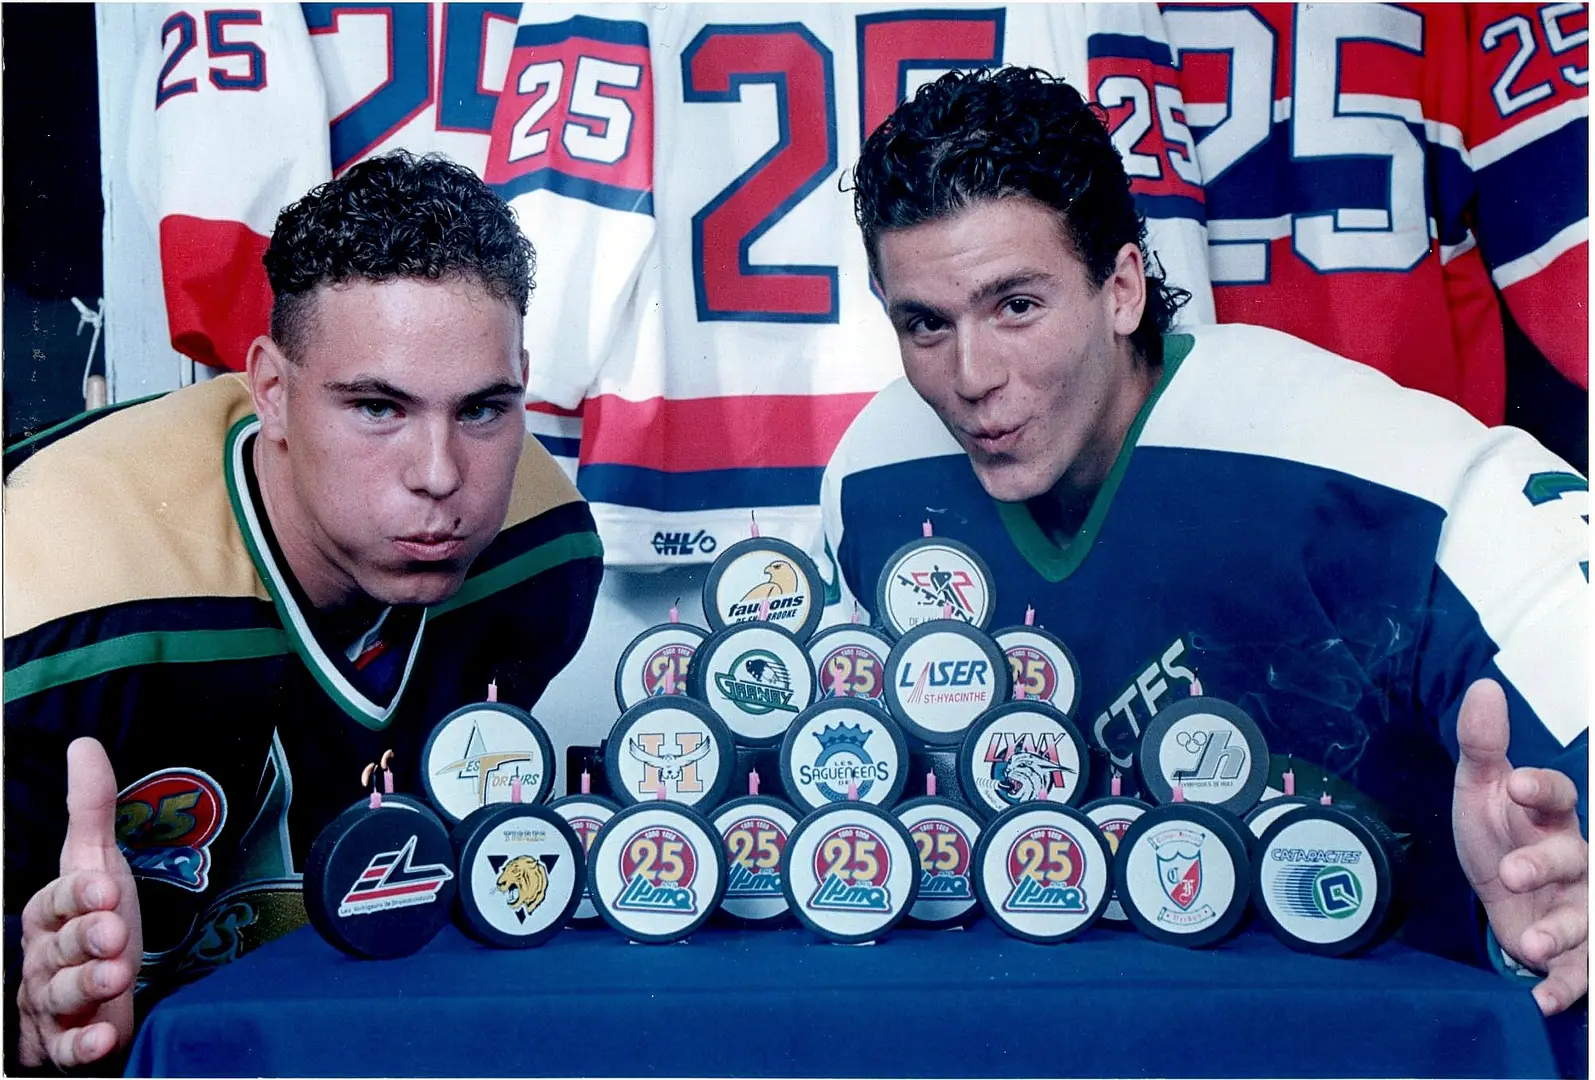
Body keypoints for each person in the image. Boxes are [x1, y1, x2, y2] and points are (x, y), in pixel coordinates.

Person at [820, 67, 1587, 1017]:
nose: (971, 376)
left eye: (1017, 305)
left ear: (1123, 289)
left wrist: (1558, 895)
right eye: (924, 323)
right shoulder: (872, 484)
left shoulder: (1366, 467)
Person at [3, 151, 604, 1070]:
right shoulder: (54, 595)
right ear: (273, 393)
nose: (440, 473)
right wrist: (28, 1015)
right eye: (376, 407)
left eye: (483, 409)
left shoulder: (541, 549)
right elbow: (46, 998)